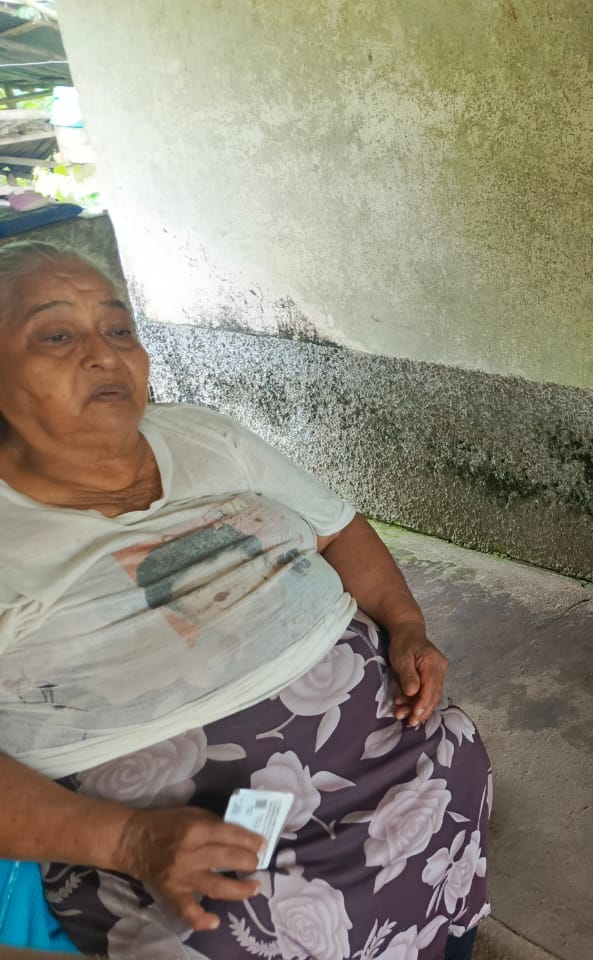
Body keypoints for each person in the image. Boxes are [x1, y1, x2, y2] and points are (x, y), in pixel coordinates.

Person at [0, 241, 492, 959]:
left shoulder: (203, 436)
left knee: (458, 760)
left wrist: (406, 625)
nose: (104, 354)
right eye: (56, 335)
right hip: (169, 824)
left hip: (388, 746)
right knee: (232, 925)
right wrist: (129, 841)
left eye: (119, 329)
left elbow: (338, 529)